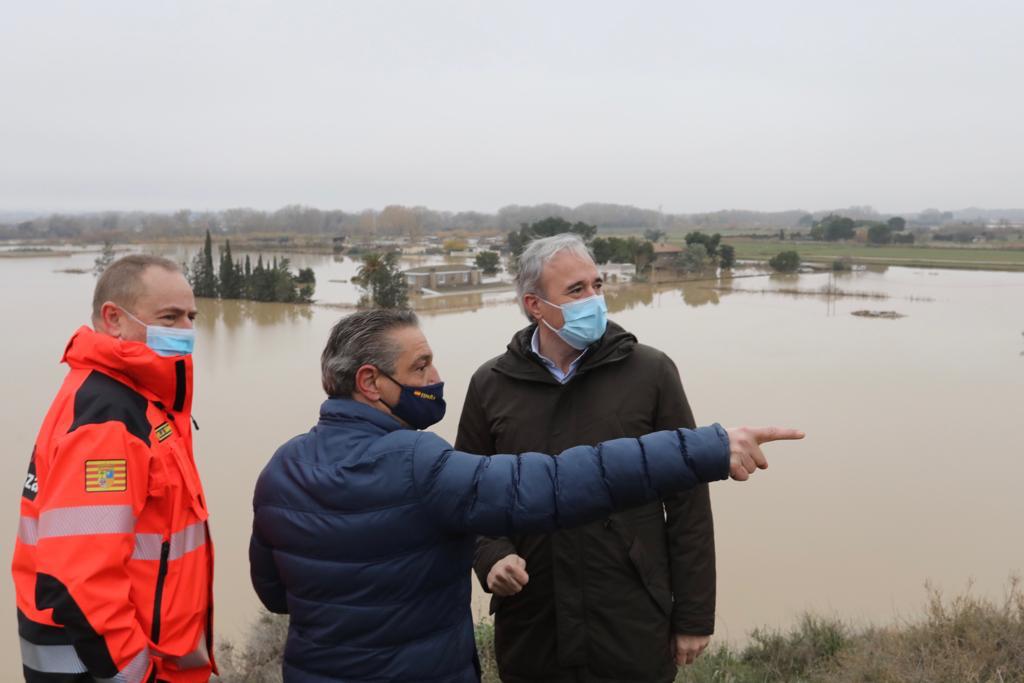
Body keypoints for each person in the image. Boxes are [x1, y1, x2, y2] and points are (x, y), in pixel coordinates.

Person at [249, 309, 802, 683]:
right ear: (369, 382)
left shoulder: (281, 467)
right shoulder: (422, 464)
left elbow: (276, 592)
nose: (437, 377)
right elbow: (562, 481)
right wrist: (706, 447)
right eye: (420, 367)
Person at [455, 233, 716, 682]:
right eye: (576, 291)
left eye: (597, 285)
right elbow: (467, 493)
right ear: (535, 305)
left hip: (630, 617)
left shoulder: (650, 372)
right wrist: (491, 555)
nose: (593, 299)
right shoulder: (491, 385)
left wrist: (693, 616)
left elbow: (688, 499)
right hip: (534, 622)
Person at [12, 255, 215, 683]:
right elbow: (80, 581)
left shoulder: (139, 399)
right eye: (170, 317)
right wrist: (135, 673)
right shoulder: (109, 418)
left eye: (191, 317)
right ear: (113, 319)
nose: (186, 331)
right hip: (111, 670)